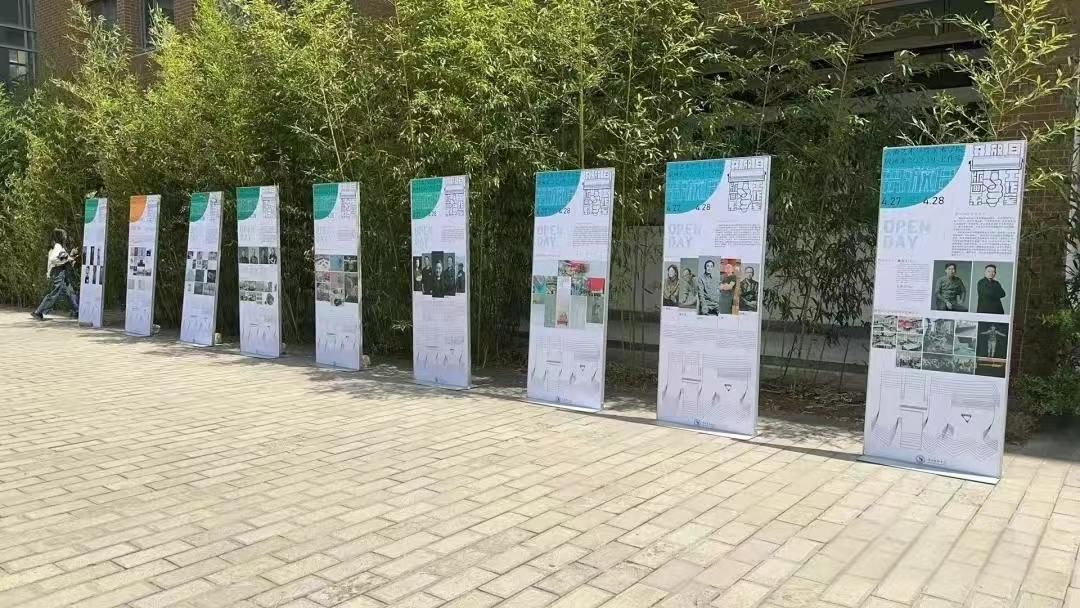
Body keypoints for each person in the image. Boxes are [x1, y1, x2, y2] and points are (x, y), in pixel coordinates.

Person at [32, 228, 80, 320]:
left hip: (62, 271)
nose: (66, 237)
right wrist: (67, 258)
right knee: (55, 292)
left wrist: (71, 256)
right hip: (59, 272)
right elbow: (53, 259)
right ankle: (39, 311)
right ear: (60, 237)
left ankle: (77, 311)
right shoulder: (58, 246)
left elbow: (63, 258)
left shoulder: (59, 247)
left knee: (69, 292)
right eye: (64, 235)